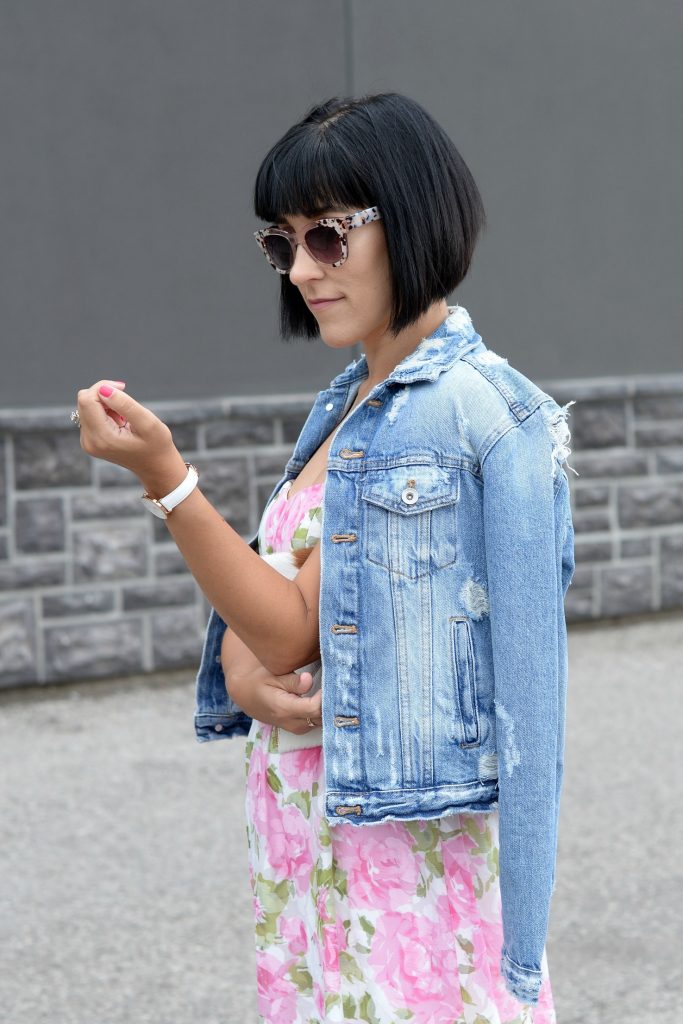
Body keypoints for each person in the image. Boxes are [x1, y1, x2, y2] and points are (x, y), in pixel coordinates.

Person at [76, 92, 576, 1024]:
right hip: (316, 821)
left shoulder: (454, 412)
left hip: (395, 848)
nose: (301, 269)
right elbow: (285, 608)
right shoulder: (354, 400)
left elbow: (295, 625)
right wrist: (242, 667)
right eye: (282, 244)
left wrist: (166, 478)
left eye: (328, 238)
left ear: (414, 217)